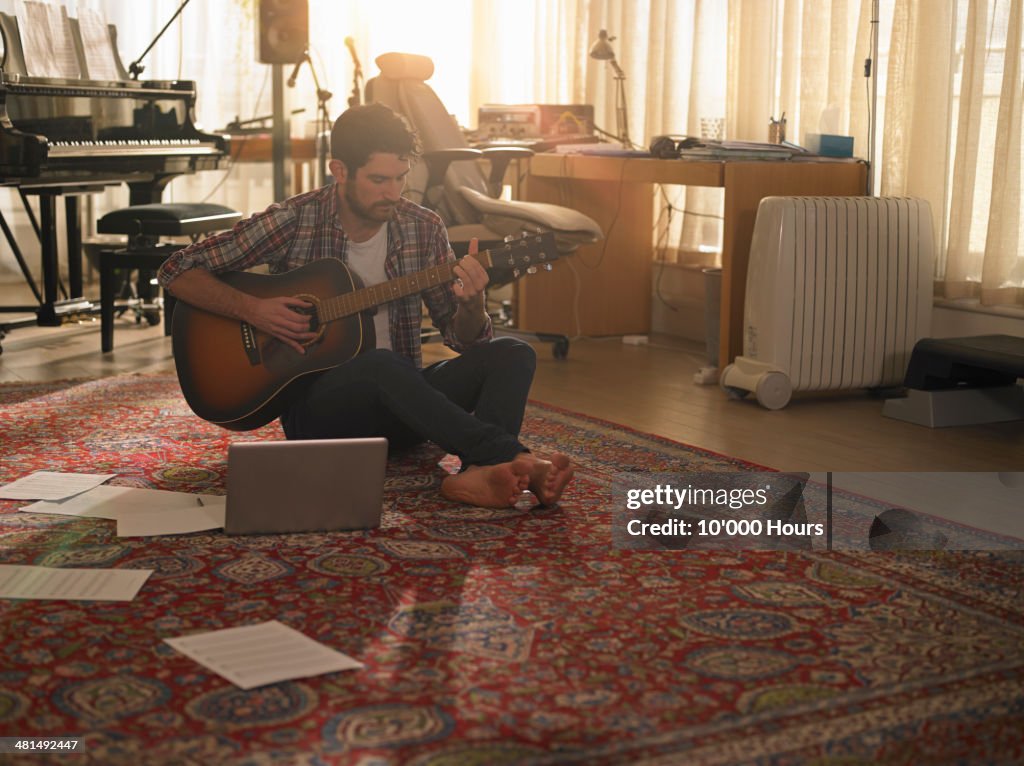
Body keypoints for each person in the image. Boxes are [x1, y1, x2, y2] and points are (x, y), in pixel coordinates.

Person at [157, 103, 573, 509]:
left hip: (407, 411)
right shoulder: (295, 219)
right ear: (340, 171)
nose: (393, 193)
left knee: (511, 353)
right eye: (378, 180)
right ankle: (512, 458)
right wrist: (254, 310)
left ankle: (483, 472)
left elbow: (464, 340)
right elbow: (177, 269)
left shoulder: (422, 226)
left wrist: (472, 305)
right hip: (323, 419)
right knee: (378, 364)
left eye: (401, 178)